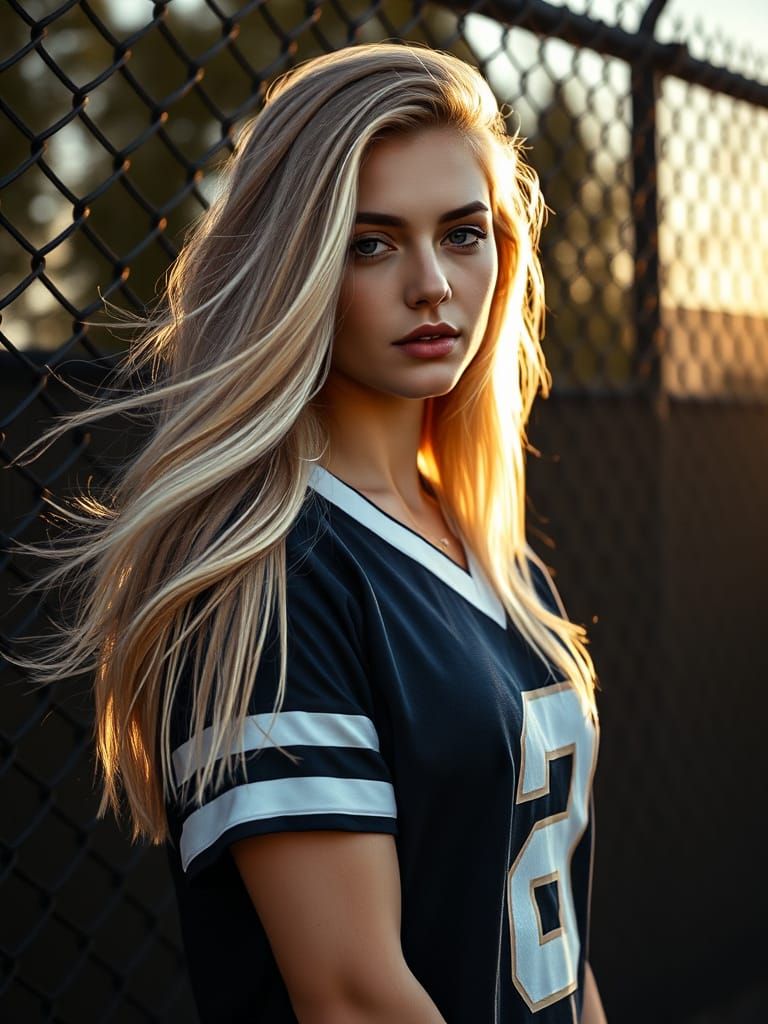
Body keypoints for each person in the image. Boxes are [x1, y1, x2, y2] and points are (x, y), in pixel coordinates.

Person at [8, 41, 607, 1023]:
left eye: (463, 234)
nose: (432, 285)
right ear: (298, 264)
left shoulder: (495, 550)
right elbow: (354, 998)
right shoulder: (265, 578)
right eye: (371, 243)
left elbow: (559, 951)